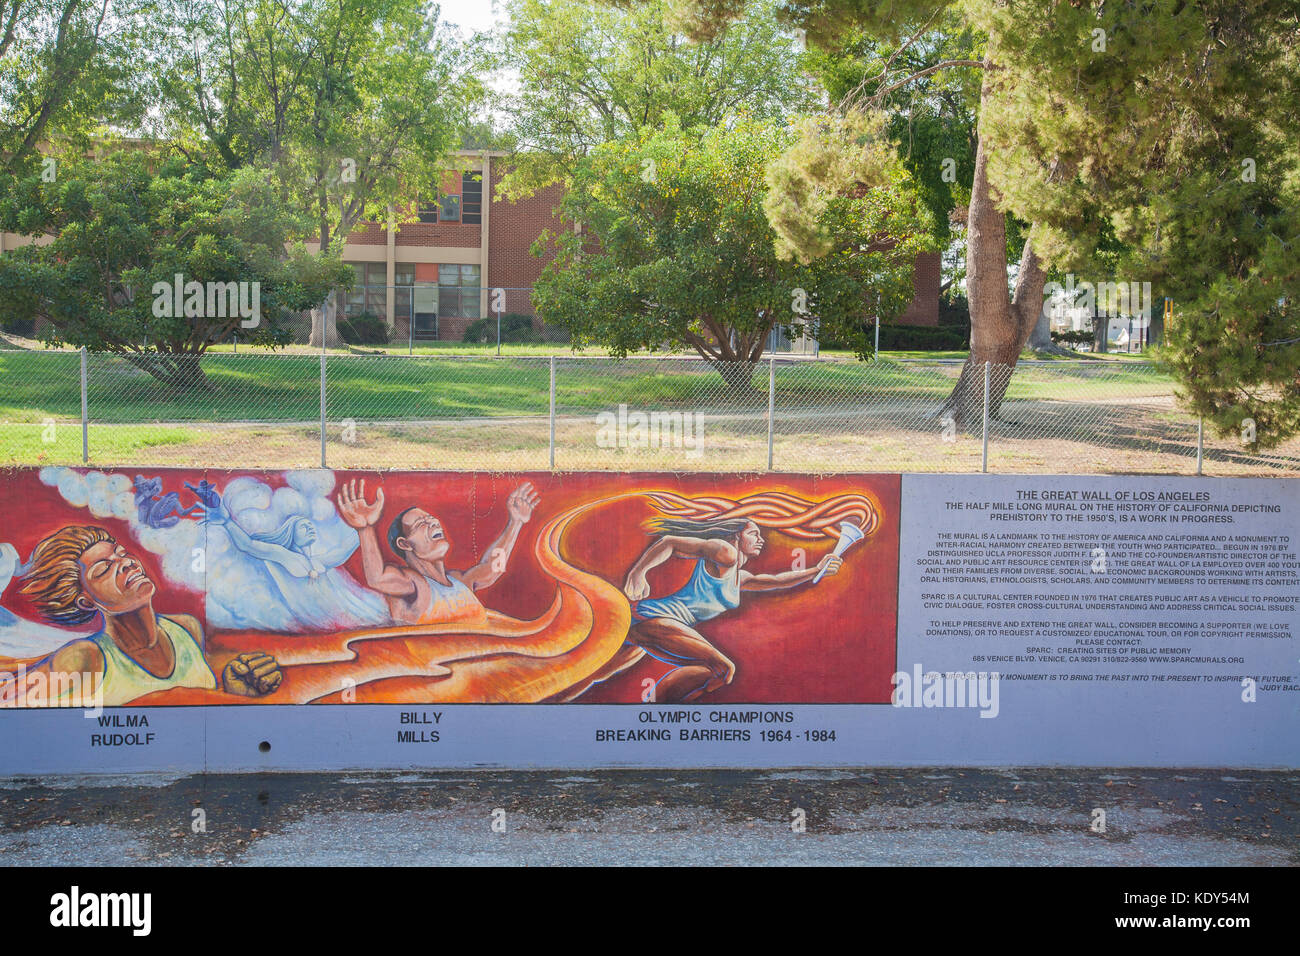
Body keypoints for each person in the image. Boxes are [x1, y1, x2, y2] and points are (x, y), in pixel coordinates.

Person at [560, 517, 841, 703]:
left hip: (649, 625)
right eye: (754, 534)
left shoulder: (738, 577)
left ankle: (655, 706)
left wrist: (816, 570)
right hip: (656, 619)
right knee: (722, 669)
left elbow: (774, 580)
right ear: (735, 536)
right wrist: (638, 572)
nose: (761, 540)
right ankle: (660, 711)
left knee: (591, 676)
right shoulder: (725, 552)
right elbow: (669, 542)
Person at [17, 526, 280, 705]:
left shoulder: (187, 629)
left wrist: (233, 694)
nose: (127, 563)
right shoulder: (85, 658)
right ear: (86, 601)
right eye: (104, 569)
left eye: (121, 555)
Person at [335, 478, 540, 626]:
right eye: (421, 523)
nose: (433, 522)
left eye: (432, 519)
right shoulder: (413, 585)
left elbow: (493, 568)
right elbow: (377, 578)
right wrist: (365, 528)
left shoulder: (461, 582)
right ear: (405, 544)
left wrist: (516, 522)